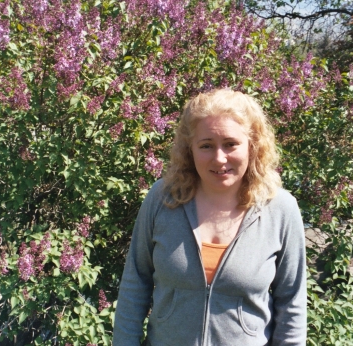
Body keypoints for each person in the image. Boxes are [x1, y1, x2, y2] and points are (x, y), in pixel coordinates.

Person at [113, 89, 307, 346]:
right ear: (189, 149)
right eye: (206, 145)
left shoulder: (280, 209)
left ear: (253, 145)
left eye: (230, 144)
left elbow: (292, 304)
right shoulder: (162, 199)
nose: (219, 158)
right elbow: (134, 285)